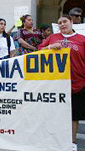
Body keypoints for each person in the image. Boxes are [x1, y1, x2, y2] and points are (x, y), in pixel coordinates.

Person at [38, 14, 85, 151]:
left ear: (71, 22)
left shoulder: (81, 40)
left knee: (74, 116)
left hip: (77, 83)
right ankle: (54, 140)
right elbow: (39, 50)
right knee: (55, 113)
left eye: (65, 21)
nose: (62, 24)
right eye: (59, 23)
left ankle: (72, 143)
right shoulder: (53, 38)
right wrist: (49, 47)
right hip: (56, 83)